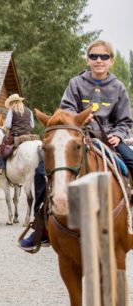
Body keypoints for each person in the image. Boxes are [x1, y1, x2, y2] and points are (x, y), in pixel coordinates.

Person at [19, 39, 133, 251]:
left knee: (132, 162)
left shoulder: (118, 87)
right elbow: (65, 111)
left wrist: (118, 134)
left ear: (111, 61)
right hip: (77, 137)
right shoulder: (76, 84)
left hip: (109, 139)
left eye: (104, 57)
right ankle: (41, 226)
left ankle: (128, 218)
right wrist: (77, 119)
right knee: (42, 171)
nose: (99, 60)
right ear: (87, 59)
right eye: (94, 56)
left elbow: (125, 120)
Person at [0, 94, 34, 177]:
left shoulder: (11, 111)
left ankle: (0, 167)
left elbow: (8, 125)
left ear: (12, 102)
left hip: (16, 136)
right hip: (28, 136)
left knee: (0, 148)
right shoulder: (29, 111)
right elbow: (32, 125)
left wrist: (5, 129)